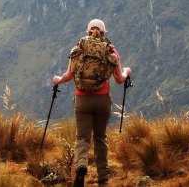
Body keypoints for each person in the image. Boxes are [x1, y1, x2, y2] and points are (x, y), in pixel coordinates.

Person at [52, 19, 132, 187]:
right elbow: (119, 79)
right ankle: (103, 177)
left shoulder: (78, 49)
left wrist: (57, 79)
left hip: (82, 100)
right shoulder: (111, 50)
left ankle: (81, 166)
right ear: (103, 33)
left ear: (88, 31)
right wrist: (126, 71)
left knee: (82, 138)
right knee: (100, 137)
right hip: (103, 101)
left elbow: (68, 76)